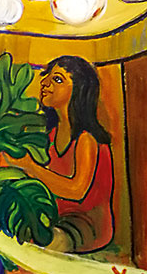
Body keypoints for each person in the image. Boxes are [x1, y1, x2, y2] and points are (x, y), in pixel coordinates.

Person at [14, 55, 114, 251]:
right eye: (46, 76)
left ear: (78, 90)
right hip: (54, 216)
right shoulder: (49, 135)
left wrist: (30, 167)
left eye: (57, 79)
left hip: (85, 224)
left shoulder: (87, 138)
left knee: (47, 243)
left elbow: (76, 190)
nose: (44, 83)